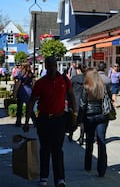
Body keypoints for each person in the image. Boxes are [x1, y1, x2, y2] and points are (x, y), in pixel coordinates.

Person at [23, 56, 77, 187]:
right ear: (46, 66)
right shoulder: (41, 83)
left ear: (56, 65)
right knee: (45, 148)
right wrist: (27, 121)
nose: (52, 67)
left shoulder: (64, 80)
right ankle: (44, 176)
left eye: (54, 65)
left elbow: (71, 96)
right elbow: (32, 101)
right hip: (44, 119)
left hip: (59, 119)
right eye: (49, 65)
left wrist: (74, 114)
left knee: (58, 149)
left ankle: (60, 178)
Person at [80, 68, 109, 177]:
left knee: (89, 140)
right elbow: (108, 100)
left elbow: (82, 104)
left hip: (89, 117)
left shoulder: (86, 87)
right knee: (101, 141)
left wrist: (79, 118)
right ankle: (101, 168)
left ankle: (88, 164)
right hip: (101, 116)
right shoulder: (102, 86)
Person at [13, 62, 35, 127]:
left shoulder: (20, 74)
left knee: (19, 107)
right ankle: (35, 121)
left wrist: (15, 92)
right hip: (29, 91)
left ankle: (18, 122)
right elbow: (34, 84)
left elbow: (18, 84)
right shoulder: (31, 74)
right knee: (29, 107)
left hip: (22, 91)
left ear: (23, 67)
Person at [69, 63, 86, 143]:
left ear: (78, 70)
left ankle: (70, 135)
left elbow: (69, 90)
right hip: (83, 101)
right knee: (82, 121)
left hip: (74, 102)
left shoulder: (74, 78)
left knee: (73, 120)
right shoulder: (86, 79)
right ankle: (82, 137)